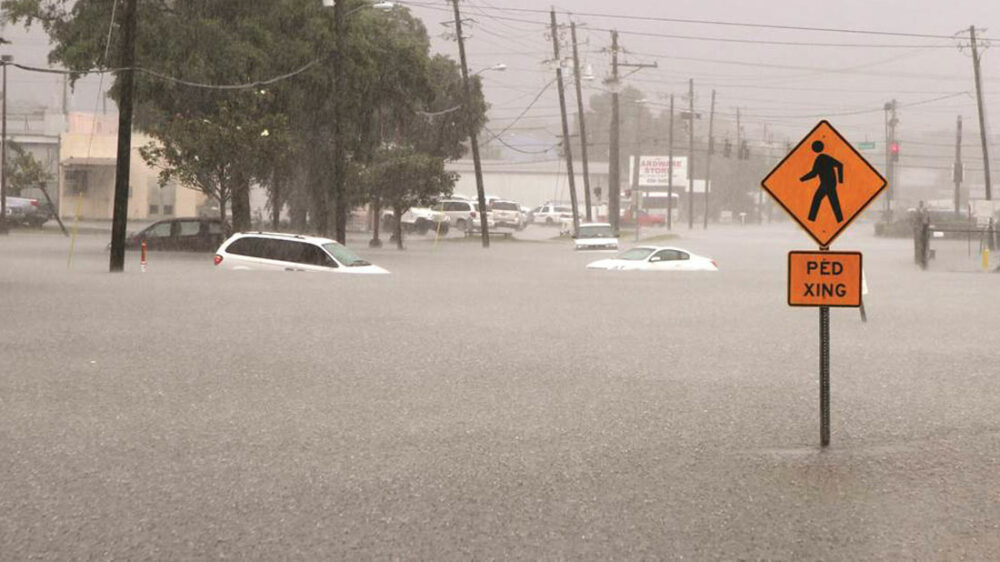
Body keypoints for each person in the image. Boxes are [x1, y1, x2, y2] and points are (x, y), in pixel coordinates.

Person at [800, 140, 844, 223]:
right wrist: (802, 179)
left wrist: (840, 180)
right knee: (821, 200)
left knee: (831, 202)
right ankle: (812, 219)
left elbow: (814, 173)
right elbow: (814, 173)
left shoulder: (822, 158)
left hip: (828, 184)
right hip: (825, 184)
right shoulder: (821, 158)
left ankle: (839, 220)